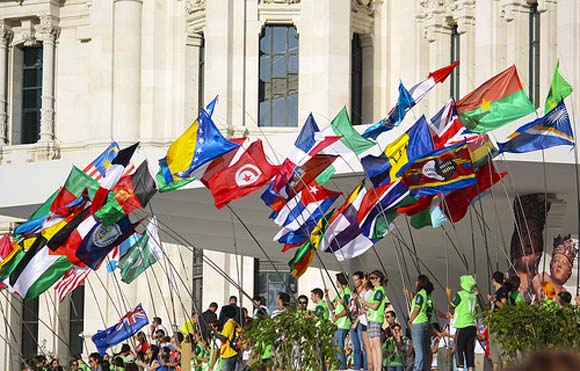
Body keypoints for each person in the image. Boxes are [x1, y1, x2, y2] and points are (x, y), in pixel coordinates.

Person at [446, 275, 477, 371]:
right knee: (469, 350)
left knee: (459, 349)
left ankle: (460, 369)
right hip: (472, 325)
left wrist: (449, 295)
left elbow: (451, 307)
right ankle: (470, 368)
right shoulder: (473, 296)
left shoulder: (460, 294)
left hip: (462, 324)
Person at [358, 270, 387, 371]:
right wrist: (364, 307)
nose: (371, 280)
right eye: (371, 278)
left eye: (373, 278)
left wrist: (365, 302)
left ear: (379, 279)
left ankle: (379, 368)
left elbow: (375, 306)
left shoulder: (379, 290)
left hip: (376, 319)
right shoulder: (375, 291)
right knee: (371, 345)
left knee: (376, 344)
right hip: (371, 319)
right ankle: (375, 367)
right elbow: (370, 306)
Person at [325, 272, 351, 370]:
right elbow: (332, 307)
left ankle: (342, 368)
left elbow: (348, 308)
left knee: (339, 349)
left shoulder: (347, 293)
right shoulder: (339, 293)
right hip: (337, 325)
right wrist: (326, 296)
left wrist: (338, 316)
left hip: (343, 324)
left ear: (339, 281)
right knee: (335, 349)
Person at [409, 275, 432, 371]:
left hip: (418, 322)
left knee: (418, 349)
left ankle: (417, 368)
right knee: (424, 348)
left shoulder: (419, 295)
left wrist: (411, 320)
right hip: (425, 322)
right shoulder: (426, 294)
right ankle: (424, 368)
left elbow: (416, 309)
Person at [487, 271, 509, 371]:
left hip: (500, 323)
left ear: (494, 281)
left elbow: (504, 307)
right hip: (493, 323)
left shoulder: (502, 291)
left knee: (502, 351)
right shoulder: (497, 292)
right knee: (494, 354)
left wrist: (494, 300)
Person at [349, 271, 365, 371]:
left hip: (360, 322)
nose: (355, 282)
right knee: (356, 348)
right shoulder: (354, 293)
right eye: (353, 280)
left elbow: (363, 309)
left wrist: (356, 322)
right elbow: (351, 307)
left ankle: (366, 366)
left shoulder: (363, 293)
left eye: (356, 280)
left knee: (363, 347)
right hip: (352, 320)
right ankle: (357, 367)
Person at [216, 305, 241, 371]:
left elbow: (224, 338)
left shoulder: (228, 324)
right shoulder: (235, 323)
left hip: (228, 352)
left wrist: (215, 334)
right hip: (234, 351)